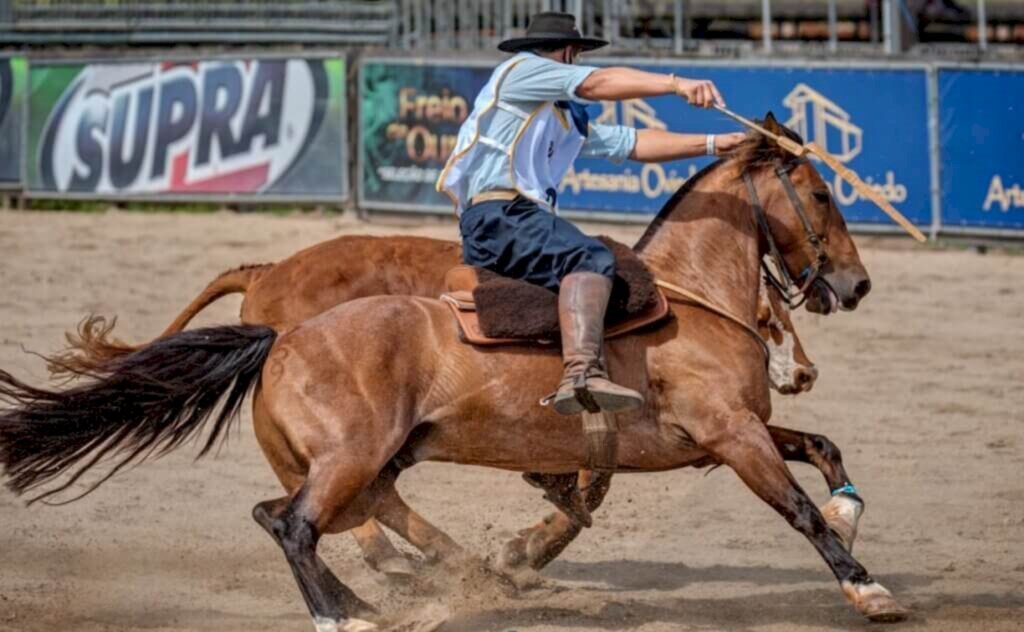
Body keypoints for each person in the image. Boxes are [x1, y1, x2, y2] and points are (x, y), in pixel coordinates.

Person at [437, 12, 745, 417]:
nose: (578, 63)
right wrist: (675, 84)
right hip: (505, 215)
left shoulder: (558, 112)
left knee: (559, 298)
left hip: (497, 221)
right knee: (592, 259)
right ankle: (581, 373)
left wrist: (714, 144)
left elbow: (632, 142)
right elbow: (597, 84)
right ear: (568, 52)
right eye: (578, 56)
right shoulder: (524, 71)